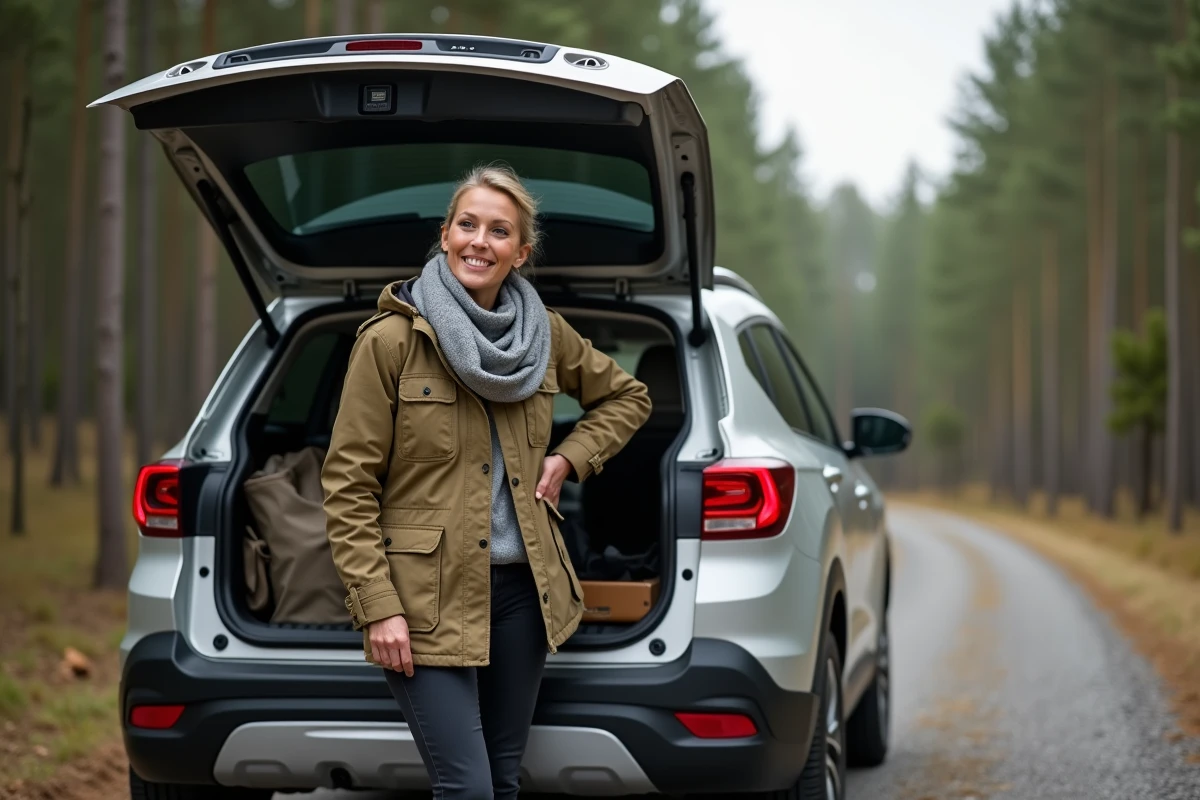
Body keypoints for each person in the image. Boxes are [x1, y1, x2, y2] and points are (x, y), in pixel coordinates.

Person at [321, 164, 652, 799]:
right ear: (444, 235)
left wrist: (571, 456)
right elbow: (348, 482)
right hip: (423, 599)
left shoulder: (545, 334)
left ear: (520, 252)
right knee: (468, 788)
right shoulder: (393, 340)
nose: (480, 241)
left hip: (524, 592)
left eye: (499, 231)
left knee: (501, 780)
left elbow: (628, 397)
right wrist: (378, 605)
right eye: (467, 224)